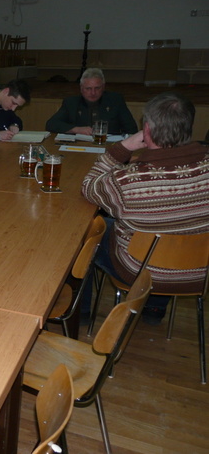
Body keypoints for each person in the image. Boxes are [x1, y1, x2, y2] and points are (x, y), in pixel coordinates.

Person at [81, 92, 209, 324]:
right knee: (176, 227)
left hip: (142, 273)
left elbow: (89, 187)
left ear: (147, 129)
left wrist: (123, 147)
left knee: (87, 232)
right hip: (201, 272)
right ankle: (154, 309)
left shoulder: (126, 181)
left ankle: (80, 315)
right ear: (189, 127)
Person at [46, 68, 138, 136]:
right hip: (80, 147)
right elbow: (51, 124)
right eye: (88, 88)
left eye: (97, 88)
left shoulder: (115, 100)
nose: (93, 93)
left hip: (109, 146)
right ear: (81, 88)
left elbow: (132, 129)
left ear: (103, 87)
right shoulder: (71, 103)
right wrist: (76, 129)